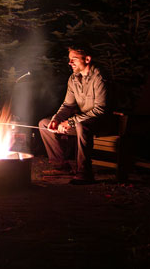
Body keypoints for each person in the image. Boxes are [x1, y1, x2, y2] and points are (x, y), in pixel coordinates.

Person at [37, 45, 118, 183]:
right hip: (83, 121)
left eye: (74, 59)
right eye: (69, 59)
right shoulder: (73, 79)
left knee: (81, 126)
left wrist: (70, 122)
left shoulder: (100, 78)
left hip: (104, 123)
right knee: (44, 124)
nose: (70, 63)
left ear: (87, 59)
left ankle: (84, 173)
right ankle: (61, 166)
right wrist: (56, 120)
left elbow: (100, 110)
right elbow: (68, 105)